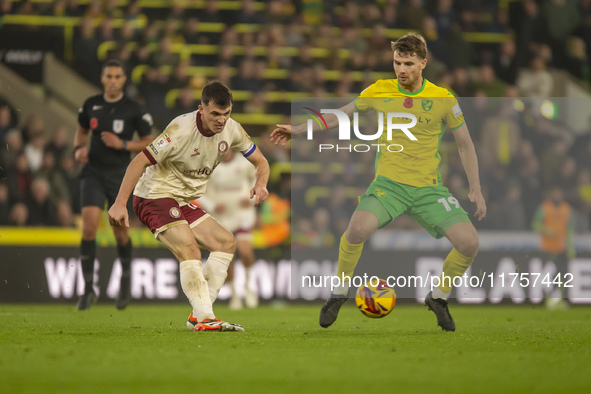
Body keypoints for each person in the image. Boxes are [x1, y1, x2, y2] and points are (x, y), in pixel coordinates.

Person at [271, 33, 487, 332]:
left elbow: (465, 144)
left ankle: (439, 297)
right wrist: (298, 129)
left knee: (470, 243)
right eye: (397, 62)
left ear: (423, 63)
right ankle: (339, 291)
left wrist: (475, 187)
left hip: (429, 189)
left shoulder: (443, 99)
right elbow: (340, 117)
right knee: (356, 229)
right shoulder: (379, 91)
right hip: (390, 186)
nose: (401, 69)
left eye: (409, 63)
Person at [108, 80, 269, 332]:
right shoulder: (179, 130)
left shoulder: (233, 130)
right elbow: (138, 162)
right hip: (154, 195)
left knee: (226, 243)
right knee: (190, 250)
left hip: (182, 201)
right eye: (215, 114)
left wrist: (261, 183)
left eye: (226, 114)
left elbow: (261, 162)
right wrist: (119, 204)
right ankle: (206, 319)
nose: (221, 120)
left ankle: (199, 315)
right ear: (201, 109)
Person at [74, 59, 154, 311]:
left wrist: (123, 145)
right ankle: (87, 288)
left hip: (120, 174)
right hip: (93, 172)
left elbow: (149, 141)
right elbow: (81, 131)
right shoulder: (91, 104)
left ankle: (125, 281)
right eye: (109, 76)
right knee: (88, 227)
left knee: (120, 231)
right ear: (102, 78)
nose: (112, 81)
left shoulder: (134, 109)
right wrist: (78, 149)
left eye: (117, 76)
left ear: (123, 79)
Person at [195, 149, 259, 310]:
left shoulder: (244, 163)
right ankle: (234, 295)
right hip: (222, 217)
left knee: (246, 252)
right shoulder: (210, 166)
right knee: (228, 257)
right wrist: (212, 205)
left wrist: (251, 199)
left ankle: (248, 286)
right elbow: (198, 191)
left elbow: (257, 180)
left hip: (242, 213)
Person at [532, 185, 575, 309]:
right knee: (548, 275)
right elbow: (535, 224)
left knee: (562, 275)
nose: (557, 195)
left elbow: (569, 230)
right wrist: (547, 231)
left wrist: (571, 248)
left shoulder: (567, 209)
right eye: (555, 193)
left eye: (559, 193)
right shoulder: (544, 207)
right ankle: (547, 299)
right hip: (547, 248)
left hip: (561, 248)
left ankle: (561, 300)